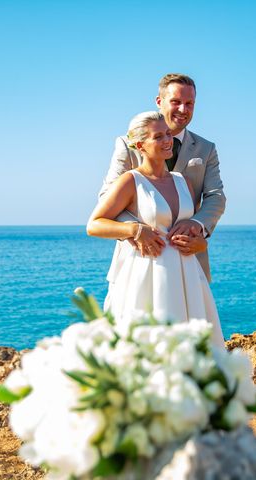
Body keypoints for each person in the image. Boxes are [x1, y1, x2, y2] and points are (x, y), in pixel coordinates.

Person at [88, 112, 224, 347]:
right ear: (140, 145)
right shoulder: (131, 181)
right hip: (147, 276)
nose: (167, 140)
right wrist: (135, 230)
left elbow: (194, 230)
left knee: (194, 347)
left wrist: (201, 243)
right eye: (158, 136)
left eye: (168, 134)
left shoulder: (183, 181)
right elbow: (94, 224)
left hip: (188, 276)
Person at [99, 73, 225, 282]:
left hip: (189, 258)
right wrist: (138, 230)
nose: (183, 110)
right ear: (159, 101)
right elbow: (107, 196)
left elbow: (216, 196)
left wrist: (197, 224)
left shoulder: (206, 148)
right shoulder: (128, 143)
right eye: (176, 102)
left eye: (189, 103)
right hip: (142, 258)